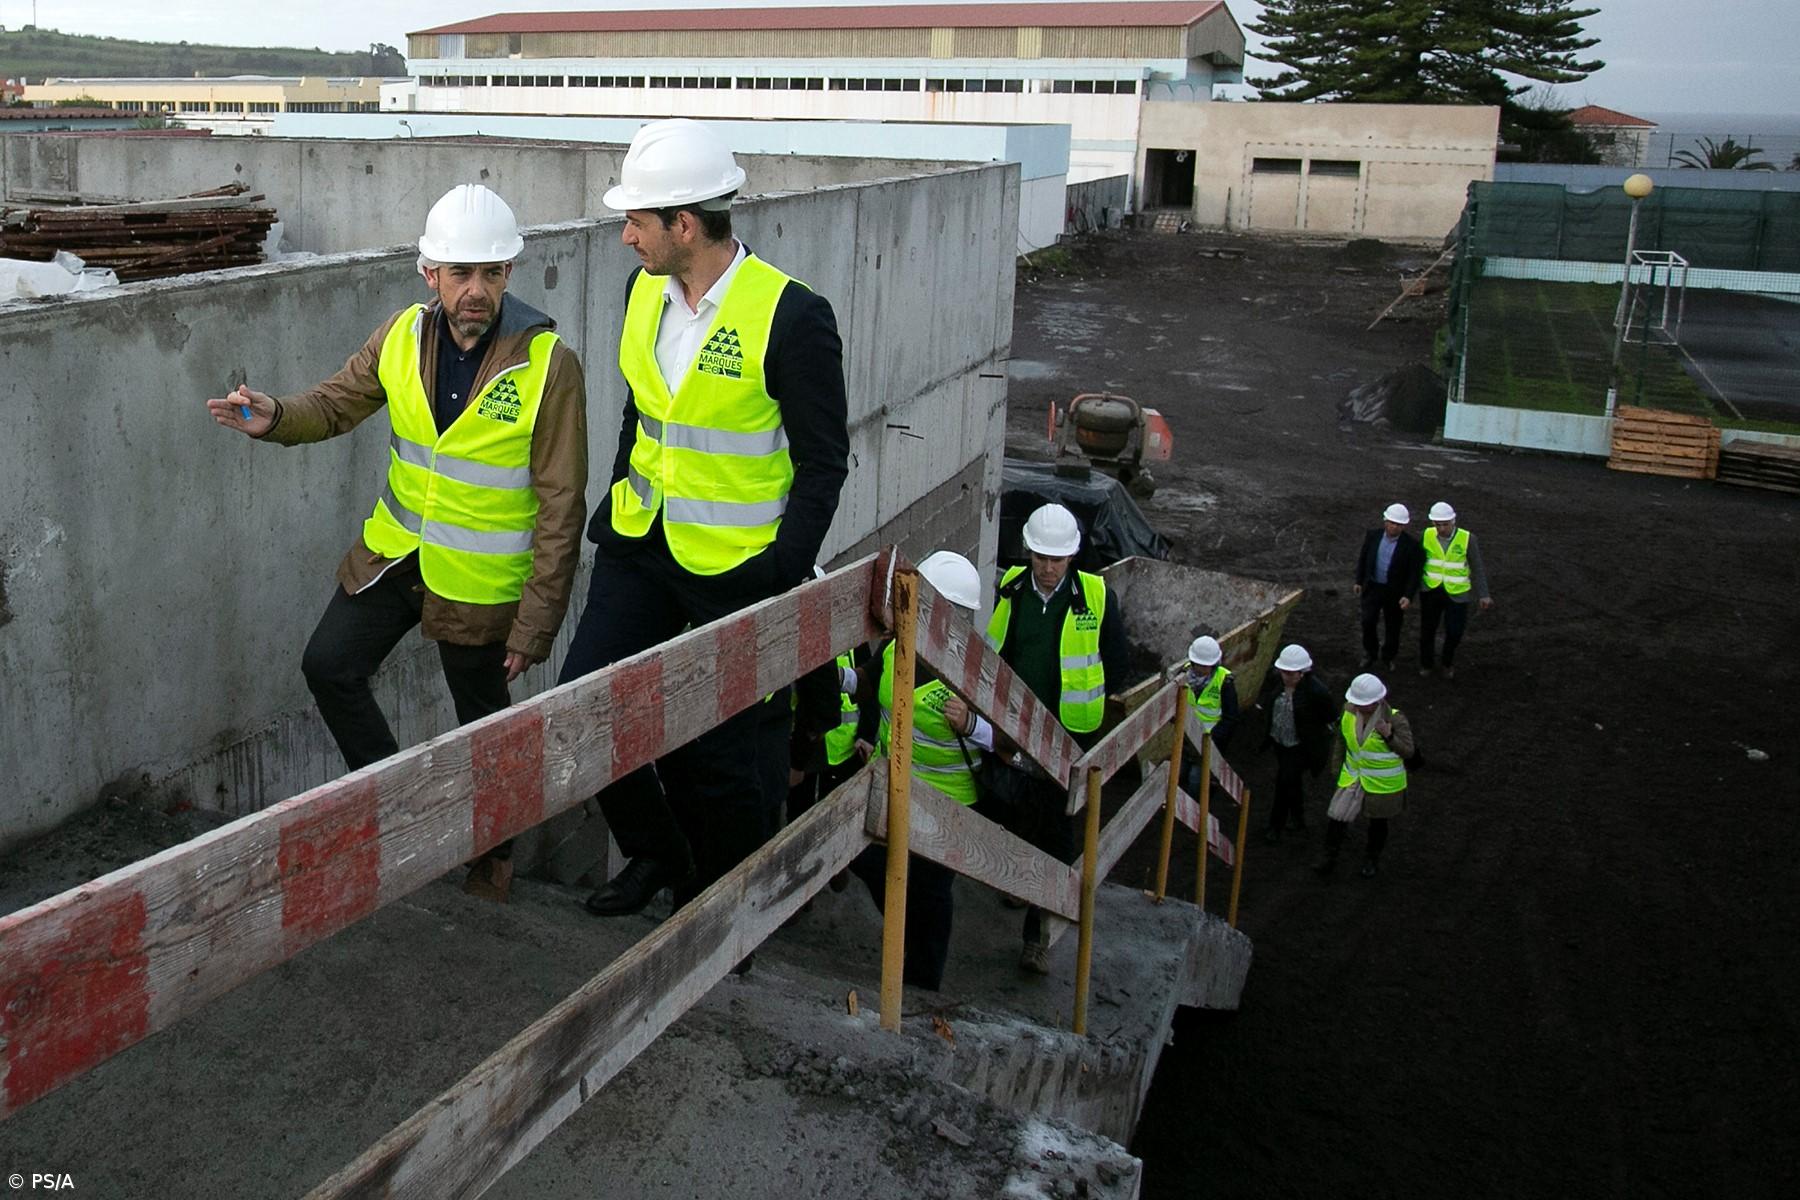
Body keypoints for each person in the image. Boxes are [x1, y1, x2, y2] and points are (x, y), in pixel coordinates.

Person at [206, 183, 589, 903]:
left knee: (481, 722)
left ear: (510, 273)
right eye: (460, 274)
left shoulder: (549, 365)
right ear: (430, 274)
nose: (476, 291)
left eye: (492, 274)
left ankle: (494, 854)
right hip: (396, 558)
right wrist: (276, 414)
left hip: (481, 584)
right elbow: (335, 402)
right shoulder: (402, 335)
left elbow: (563, 503)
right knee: (329, 665)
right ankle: (396, 812)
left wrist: (538, 619)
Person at [564, 119, 849, 918]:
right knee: (587, 701)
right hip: (640, 543)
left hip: (738, 568)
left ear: (684, 225)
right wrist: (624, 489)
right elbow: (643, 414)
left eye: (637, 223)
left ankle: (723, 916)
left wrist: (779, 574)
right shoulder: (642, 292)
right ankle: (658, 852)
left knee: (722, 759)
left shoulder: (791, 316)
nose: (626, 237)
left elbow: (824, 463)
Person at [982, 503, 1130, 975]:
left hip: (1069, 737)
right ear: (1029, 551)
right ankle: (1019, 883)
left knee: (1056, 831)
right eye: (1041, 556)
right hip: (1019, 731)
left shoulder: (1096, 597)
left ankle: (1037, 935)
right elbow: (997, 654)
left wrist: (1095, 722)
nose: (1047, 567)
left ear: (1072, 557)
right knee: (1012, 810)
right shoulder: (1013, 591)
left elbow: (1117, 662)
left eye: (1057, 558)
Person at [850, 551, 989, 991]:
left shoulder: (976, 670)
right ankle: (905, 939)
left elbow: (1009, 739)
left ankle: (923, 982)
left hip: (946, 801)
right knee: (871, 861)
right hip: (891, 786)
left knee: (930, 892)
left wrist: (973, 724)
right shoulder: (899, 645)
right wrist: (835, 679)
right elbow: (870, 681)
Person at [1314, 673, 1414, 879]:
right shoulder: (1349, 711)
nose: (1359, 707)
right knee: (1337, 817)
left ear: (1377, 701)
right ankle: (1328, 857)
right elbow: (1342, 741)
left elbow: (1408, 751)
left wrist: (1389, 736)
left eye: (1364, 704)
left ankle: (1372, 859)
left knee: (1378, 824)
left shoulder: (1394, 719)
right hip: (1353, 777)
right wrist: (1336, 768)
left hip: (1382, 785)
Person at [1252, 643, 1336, 844]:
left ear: (1302, 672)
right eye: (1284, 672)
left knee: (1283, 783)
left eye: (1291, 673)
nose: (1286, 676)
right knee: (1291, 782)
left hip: (1300, 747)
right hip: (1280, 742)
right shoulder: (1277, 681)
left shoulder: (1317, 692)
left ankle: (1275, 826)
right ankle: (1298, 818)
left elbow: (1330, 717)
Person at [1417, 500, 1494, 680]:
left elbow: (1477, 567)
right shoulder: (1426, 535)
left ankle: (1447, 662)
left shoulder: (1468, 539)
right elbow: (1417, 563)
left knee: (1455, 631)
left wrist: (1484, 594)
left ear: (1453, 521)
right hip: (1431, 590)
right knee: (1427, 630)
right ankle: (1426, 663)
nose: (1441, 528)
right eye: (1437, 525)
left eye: (1444, 524)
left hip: (1457, 593)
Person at [1353, 502, 1424, 673]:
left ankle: (1388, 656)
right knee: (1368, 621)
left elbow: (1414, 574)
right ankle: (1370, 653)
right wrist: (1359, 581)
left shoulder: (1411, 546)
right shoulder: (1372, 536)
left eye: (1398, 524)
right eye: (1392, 523)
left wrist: (1408, 595)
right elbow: (1364, 559)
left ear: (1404, 526)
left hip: (1395, 592)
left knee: (1393, 626)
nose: (1394, 527)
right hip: (1373, 588)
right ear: (1385, 521)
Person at [1178, 634, 1239, 802]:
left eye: (1206, 666)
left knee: (1196, 780)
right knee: (1179, 774)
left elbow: (1231, 717)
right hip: (1187, 738)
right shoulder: (1183, 675)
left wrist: (1214, 738)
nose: (1202, 669)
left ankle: (1196, 812)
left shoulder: (1224, 681)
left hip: (1209, 742)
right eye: (1198, 665)